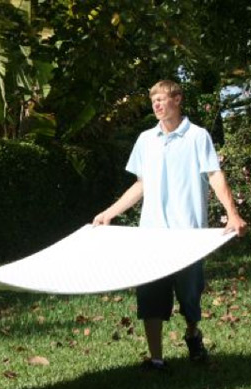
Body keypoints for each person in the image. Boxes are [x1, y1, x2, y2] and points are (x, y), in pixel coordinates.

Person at [93, 80, 247, 370]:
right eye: (154, 101)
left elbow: (214, 175)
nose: (157, 105)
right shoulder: (145, 140)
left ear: (177, 99)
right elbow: (141, 185)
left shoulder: (198, 137)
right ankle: (156, 359)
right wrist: (109, 212)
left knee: (190, 297)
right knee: (150, 296)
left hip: (188, 236)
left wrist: (232, 213)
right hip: (151, 237)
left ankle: (192, 333)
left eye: (162, 99)